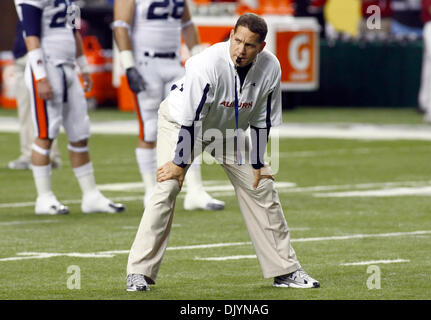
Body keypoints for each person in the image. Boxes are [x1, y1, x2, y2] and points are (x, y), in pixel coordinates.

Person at [125, 13, 320, 292]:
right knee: (167, 186)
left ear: (261, 47)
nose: (241, 50)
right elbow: (191, 120)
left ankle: (285, 270)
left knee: (261, 186)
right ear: (231, 35)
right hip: (182, 123)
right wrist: (179, 165)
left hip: (227, 128)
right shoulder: (207, 64)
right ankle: (138, 272)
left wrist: (258, 163)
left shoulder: (271, 67)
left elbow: (262, 120)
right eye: (237, 40)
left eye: (249, 45)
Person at [14, 0, 125, 215]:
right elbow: (31, 35)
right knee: (46, 134)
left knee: (80, 133)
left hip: (68, 67)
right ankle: (44, 197)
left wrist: (83, 68)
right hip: (47, 66)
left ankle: (91, 195)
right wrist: (40, 77)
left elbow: (74, 32)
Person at [112, 0, 225, 211]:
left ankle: (195, 191)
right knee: (149, 129)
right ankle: (150, 191)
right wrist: (128, 66)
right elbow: (121, 26)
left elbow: (188, 23)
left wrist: (199, 58)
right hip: (145, 64)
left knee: (190, 123)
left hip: (174, 64)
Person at [8, 20, 61, 171]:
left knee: (46, 113)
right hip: (28, 54)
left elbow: (75, 23)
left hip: (48, 56)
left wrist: (81, 61)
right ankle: (31, 155)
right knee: (27, 112)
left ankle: (48, 155)